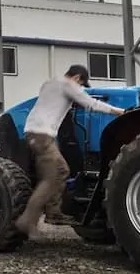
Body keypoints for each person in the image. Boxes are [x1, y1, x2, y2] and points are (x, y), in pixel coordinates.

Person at [15, 64, 125, 236]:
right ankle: (27, 221)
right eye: (81, 84)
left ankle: (54, 212)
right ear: (77, 78)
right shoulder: (68, 85)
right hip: (42, 135)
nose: (80, 88)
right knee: (51, 177)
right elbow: (91, 104)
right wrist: (120, 112)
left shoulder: (50, 83)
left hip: (37, 133)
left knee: (62, 170)